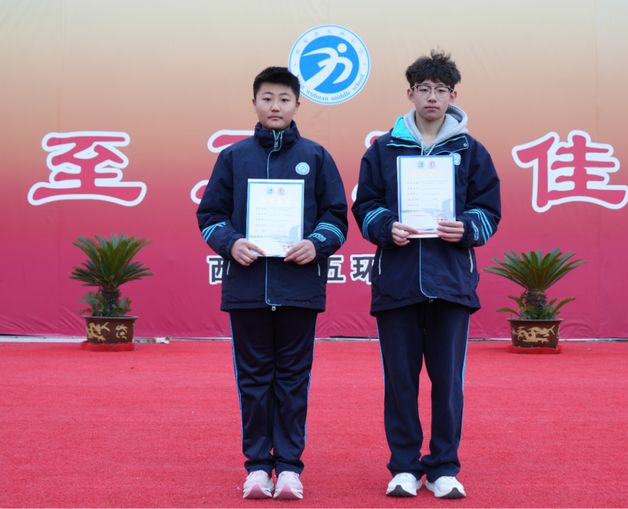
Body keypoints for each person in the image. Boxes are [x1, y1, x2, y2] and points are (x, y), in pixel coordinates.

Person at [352, 51, 501, 499]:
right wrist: (385, 226)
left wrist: (466, 228)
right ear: (410, 93)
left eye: (440, 89)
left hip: (451, 282)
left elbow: (488, 209)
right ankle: (403, 465)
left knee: (448, 382)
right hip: (397, 281)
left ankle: (443, 467)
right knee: (400, 381)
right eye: (423, 89)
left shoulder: (471, 151)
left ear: (453, 95)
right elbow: (365, 204)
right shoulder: (383, 149)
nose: (431, 97)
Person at [197, 67, 348, 500]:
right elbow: (210, 215)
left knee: (293, 381)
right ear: (254, 103)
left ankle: (290, 469)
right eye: (267, 98)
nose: (275, 106)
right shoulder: (234, 157)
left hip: (299, 289)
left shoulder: (316, 156)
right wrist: (231, 243)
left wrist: (316, 244)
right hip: (247, 290)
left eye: (284, 99)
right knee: (253, 380)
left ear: (297, 104)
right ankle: (258, 467)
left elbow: (336, 216)